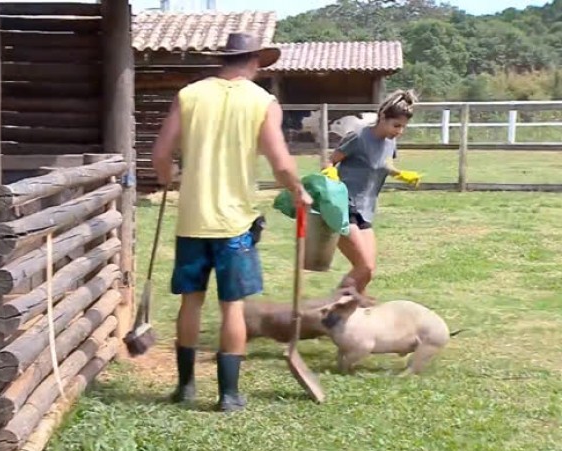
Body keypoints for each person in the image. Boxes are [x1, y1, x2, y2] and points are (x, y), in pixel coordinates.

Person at [151, 32, 312, 412]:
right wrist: (298, 190)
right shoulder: (263, 102)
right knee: (232, 307)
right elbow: (281, 161)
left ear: (224, 60)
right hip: (235, 224)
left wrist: (168, 175)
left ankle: (186, 387)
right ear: (255, 61)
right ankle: (229, 395)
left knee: (191, 303)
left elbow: (160, 154)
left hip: (192, 219)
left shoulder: (189, 95)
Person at [324, 89, 422, 297]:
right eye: (397, 125)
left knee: (367, 272)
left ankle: (354, 311)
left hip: (366, 208)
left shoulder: (390, 141)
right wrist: (330, 172)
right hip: (343, 205)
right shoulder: (358, 137)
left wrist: (401, 174)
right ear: (383, 118)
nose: (400, 131)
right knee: (364, 267)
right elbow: (330, 160)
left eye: (404, 126)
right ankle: (331, 312)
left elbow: (385, 164)